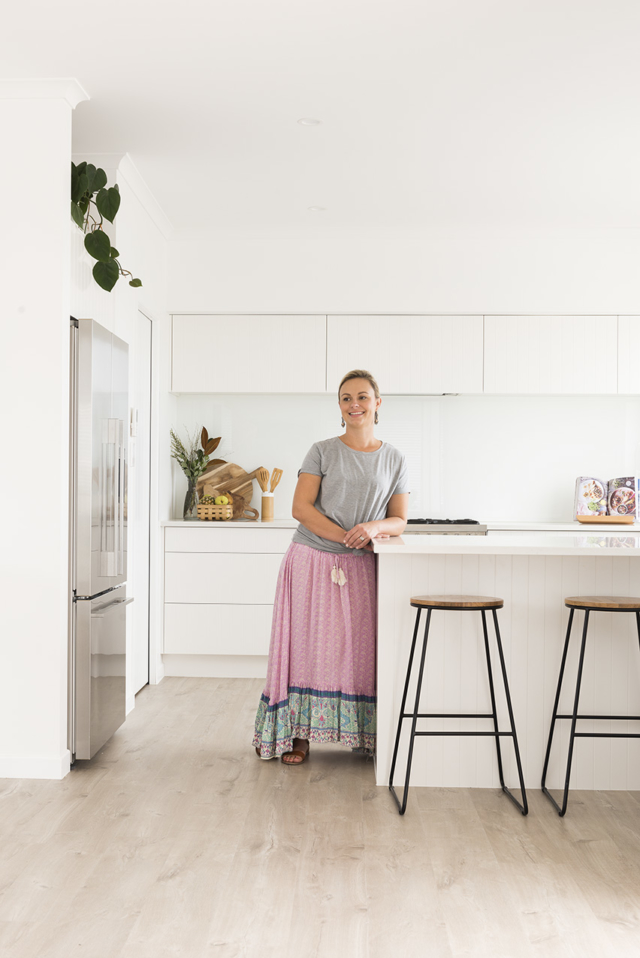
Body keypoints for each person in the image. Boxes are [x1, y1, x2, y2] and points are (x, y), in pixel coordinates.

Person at [252, 369, 409, 764]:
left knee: (358, 651)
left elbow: (400, 519)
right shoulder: (321, 450)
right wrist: (345, 536)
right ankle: (298, 736)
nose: (354, 404)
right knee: (305, 647)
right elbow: (300, 508)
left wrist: (372, 528)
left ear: (377, 403)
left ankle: (365, 733)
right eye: (345, 398)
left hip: (362, 565)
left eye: (361, 397)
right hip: (313, 558)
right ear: (339, 407)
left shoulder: (395, 457)